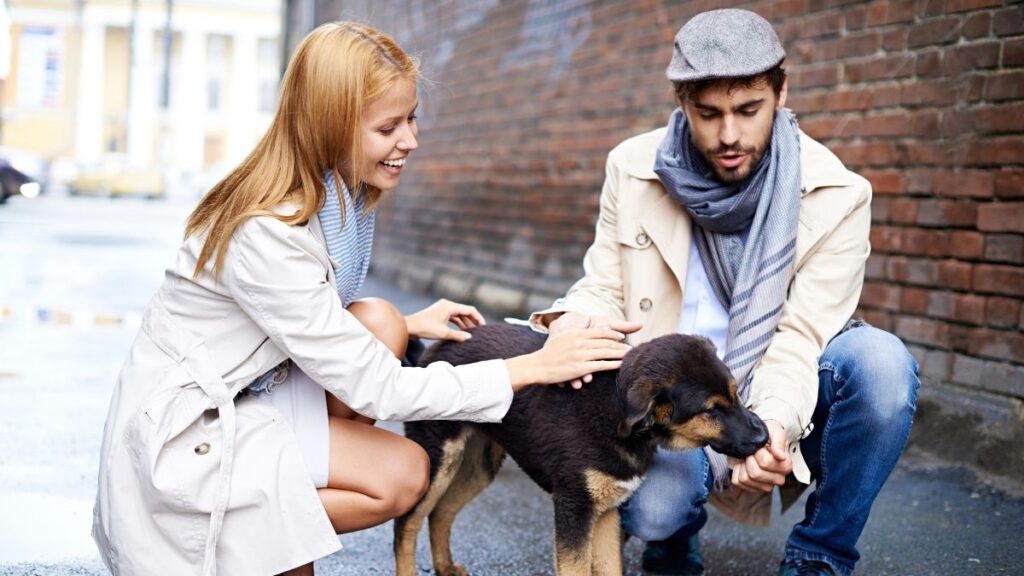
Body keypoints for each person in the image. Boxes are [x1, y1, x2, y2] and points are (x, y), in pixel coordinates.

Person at [92, 22, 630, 576]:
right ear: (330, 126)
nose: (411, 141)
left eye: (412, 118)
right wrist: (530, 366)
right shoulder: (267, 230)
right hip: (186, 441)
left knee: (381, 323)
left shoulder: (334, 198)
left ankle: (274, 528)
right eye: (388, 127)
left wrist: (413, 322)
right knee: (398, 469)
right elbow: (378, 387)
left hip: (248, 399)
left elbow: (311, 319)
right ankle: (244, 537)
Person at [528, 9, 920, 576]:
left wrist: (773, 422)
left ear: (781, 93)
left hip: (773, 392)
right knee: (659, 510)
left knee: (882, 365)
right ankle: (675, 536)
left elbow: (801, 336)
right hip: (674, 407)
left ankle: (821, 556)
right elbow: (605, 285)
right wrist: (572, 320)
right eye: (708, 114)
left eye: (748, 110)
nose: (729, 135)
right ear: (682, 105)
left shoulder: (838, 194)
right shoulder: (634, 168)